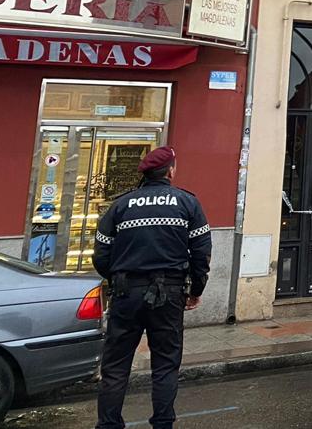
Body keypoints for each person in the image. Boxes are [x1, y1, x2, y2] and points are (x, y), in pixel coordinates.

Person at [93, 146, 211, 429]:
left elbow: (101, 254)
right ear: (170, 171)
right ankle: (162, 424)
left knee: (115, 367)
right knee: (166, 364)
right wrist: (196, 290)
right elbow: (201, 252)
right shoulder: (187, 203)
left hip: (125, 294)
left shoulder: (121, 205)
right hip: (169, 294)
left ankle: (108, 425)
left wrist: (119, 279)